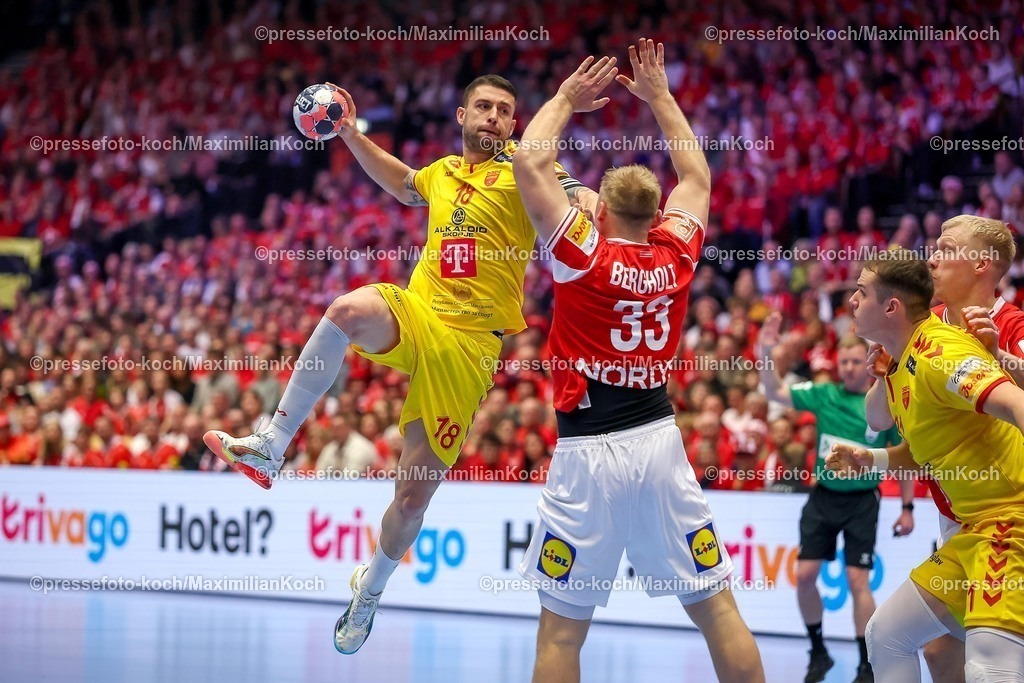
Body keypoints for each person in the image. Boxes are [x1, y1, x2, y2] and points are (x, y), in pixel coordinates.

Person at [203, 75, 593, 654]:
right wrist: (349, 134)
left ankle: (370, 589)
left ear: (514, 124)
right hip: (419, 313)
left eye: (503, 110)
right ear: (462, 115)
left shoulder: (526, 166)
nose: (492, 116)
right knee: (346, 309)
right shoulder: (443, 172)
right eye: (483, 106)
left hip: (470, 346)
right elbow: (405, 184)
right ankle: (271, 444)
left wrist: (590, 202)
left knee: (411, 500)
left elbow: (576, 194)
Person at [512, 41, 764, 683]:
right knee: (717, 610)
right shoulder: (676, 252)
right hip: (658, 440)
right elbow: (697, 177)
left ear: (599, 211)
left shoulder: (583, 254)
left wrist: (565, 98)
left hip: (589, 449)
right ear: (657, 216)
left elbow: (530, 161)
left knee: (561, 634)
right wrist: (660, 96)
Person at [828, 252, 1024, 683]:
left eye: (862, 292)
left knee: (988, 669)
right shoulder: (899, 363)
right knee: (887, 634)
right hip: (973, 530)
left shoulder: (940, 353)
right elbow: (912, 441)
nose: (852, 301)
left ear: (891, 307)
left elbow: (1015, 403)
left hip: (1011, 524)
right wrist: (872, 459)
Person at [758, 320, 910, 683]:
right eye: (844, 362)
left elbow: (904, 458)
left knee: (858, 581)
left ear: (868, 363)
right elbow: (774, 392)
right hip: (824, 497)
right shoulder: (824, 394)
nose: (849, 368)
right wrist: (764, 351)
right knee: (804, 576)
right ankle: (818, 652)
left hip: (862, 501)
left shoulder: (882, 404)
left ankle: (865, 665)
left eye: (856, 361)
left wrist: (907, 509)